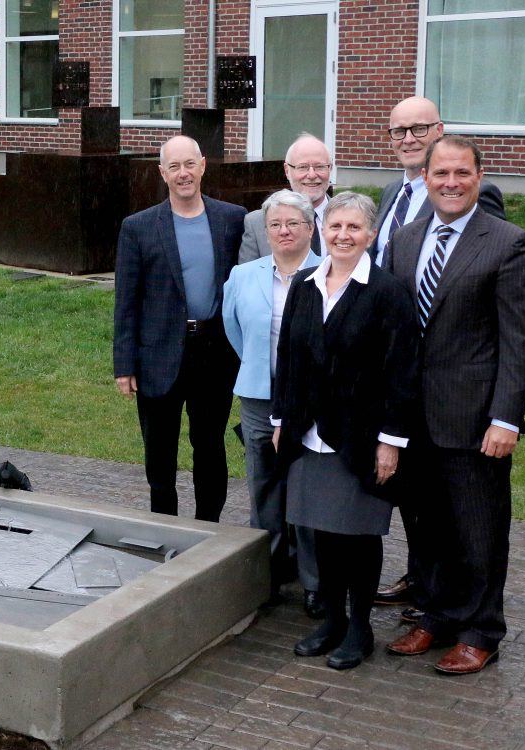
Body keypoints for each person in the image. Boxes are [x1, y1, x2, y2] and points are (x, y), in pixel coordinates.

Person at [385, 136, 525, 675]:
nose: (450, 183)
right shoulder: (404, 241)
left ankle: (481, 630)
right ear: (424, 178)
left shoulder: (508, 243)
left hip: (475, 420)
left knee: (478, 531)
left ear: (479, 177)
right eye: (441, 173)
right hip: (414, 418)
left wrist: (505, 418)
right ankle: (436, 616)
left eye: (461, 173)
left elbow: (520, 341)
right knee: (426, 527)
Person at [271, 191, 419, 670]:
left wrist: (390, 441)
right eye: (335, 227)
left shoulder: (387, 291)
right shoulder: (305, 284)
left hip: (360, 439)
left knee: (357, 536)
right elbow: (288, 359)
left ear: (371, 235)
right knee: (322, 534)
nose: (343, 235)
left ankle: (359, 628)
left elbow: (402, 371)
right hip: (308, 437)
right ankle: (332, 620)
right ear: (322, 230)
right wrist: (280, 420)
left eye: (354, 228)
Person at [371, 95, 506, 618]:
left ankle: (470, 618)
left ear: (440, 129)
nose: (407, 137)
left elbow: (481, 298)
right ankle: (425, 585)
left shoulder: (477, 199)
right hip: (404, 384)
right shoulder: (392, 195)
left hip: (459, 394)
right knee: (418, 501)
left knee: (468, 516)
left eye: (418, 128)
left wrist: (502, 411)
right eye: (398, 130)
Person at [113, 135, 245, 523]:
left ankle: (208, 529)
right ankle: (165, 527)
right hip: (157, 355)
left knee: (209, 447)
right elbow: (126, 301)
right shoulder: (138, 228)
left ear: (203, 165)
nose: (184, 173)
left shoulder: (232, 220)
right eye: (175, 167)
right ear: (162, 173)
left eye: (190, 164)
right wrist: (125, 364)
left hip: (215, 352)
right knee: (160, 453)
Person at [223, 190, 323, 616]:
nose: (284, 231)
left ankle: (316, 581)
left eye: (293, 224)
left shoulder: (328, 272)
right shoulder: (244, 275)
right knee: (263, 486)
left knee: (308, 488)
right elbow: (233, 327)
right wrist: (258, 366)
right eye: (276, 225)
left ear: (310, 228)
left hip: (312, 400)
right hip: (258, 396)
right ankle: (267, 575)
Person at [239, 135, 333, 262]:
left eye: (320, 167)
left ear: (330, 168)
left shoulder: (351, 220)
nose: (311, 175)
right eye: (303, 167)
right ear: (287, 170)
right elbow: (248, 278)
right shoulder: (257, 223)